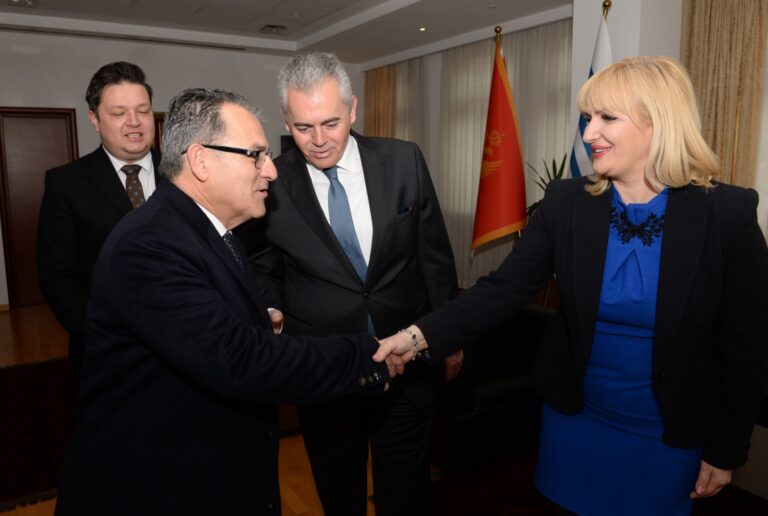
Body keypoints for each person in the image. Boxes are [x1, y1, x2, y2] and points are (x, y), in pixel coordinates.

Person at [375, 55, 768, 515]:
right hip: (576, 418)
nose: (588, 133)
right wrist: (415, 337)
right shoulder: (567, 202)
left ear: (657, 121)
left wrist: (727, 448)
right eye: (587, 118)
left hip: (669, 432)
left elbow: (748, 347)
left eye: (606, 118)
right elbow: (501, 291)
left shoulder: (727, 215)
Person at [54, 88, 398, 516]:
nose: (271, 170)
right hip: (153, 490)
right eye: (256, 155)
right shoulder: (149, 244)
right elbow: (242, 359)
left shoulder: (205, 231)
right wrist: (367, 357)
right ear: (200, 161)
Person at [243, 51, 461, 515]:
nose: (319, 140)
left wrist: (448, 337)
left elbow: (435, 258)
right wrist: (270, 308)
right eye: (304, 127)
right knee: (338, 492)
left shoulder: (403, 160)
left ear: (353, 109)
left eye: (331, 123)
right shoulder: (270, 182)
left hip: (408, 365)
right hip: (325, 372)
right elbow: (264, 267)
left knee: (407, 494)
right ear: (286, 119)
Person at [37, 61, 160, 376]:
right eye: (119, 113)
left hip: (189, 343)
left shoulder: (185, 173)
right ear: (94, 119)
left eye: (143, 111)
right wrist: (99, 332)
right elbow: (57, 276)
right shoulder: (67, 184)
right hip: (108, 352)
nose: (134, 122)